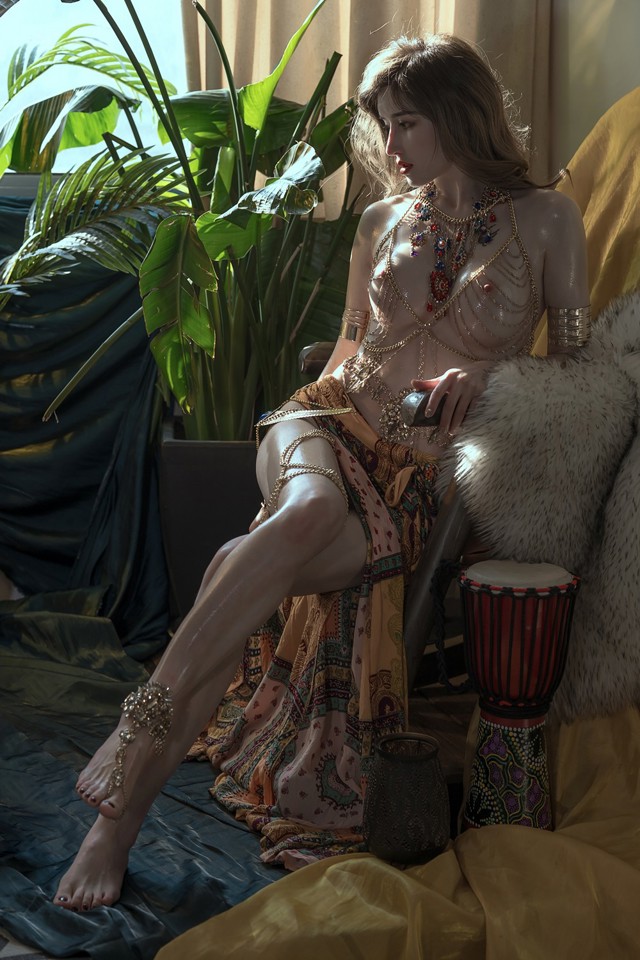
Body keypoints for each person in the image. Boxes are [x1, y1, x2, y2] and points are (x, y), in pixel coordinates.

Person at [53, 33, 589, 911]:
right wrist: (349, 386)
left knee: (239, 564)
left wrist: (492, 375)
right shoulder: (383, 220)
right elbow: (342, 351)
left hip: (414, 483)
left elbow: (576, 372)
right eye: (387, 125)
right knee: (302, 514)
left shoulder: (545, 218)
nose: (393, 146)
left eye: (406, 123)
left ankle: (118, 808)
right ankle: (130, 756)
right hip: (321, 423)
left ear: (459, 113)